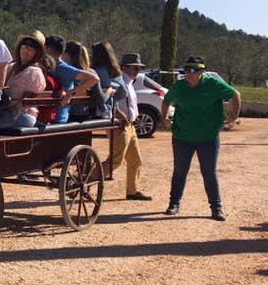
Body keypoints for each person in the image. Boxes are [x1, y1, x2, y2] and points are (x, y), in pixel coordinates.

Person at [160, 55, 241, 220]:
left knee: (209, 173)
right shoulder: (178, 86)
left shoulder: (213, 84)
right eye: (186, 70)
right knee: (179, 172)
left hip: (208, 138)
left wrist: (233, 117)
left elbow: (235, 94)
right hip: (182, 137)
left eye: (193, 70)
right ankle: (174, 204)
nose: (189, 74)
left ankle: (216, 208)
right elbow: (166, 100)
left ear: (202, 71)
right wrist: (164, 117)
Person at [103, 53, 152, 201]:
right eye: (134, 67)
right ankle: (85, 179)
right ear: (124, 67)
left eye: (138, 67)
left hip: (129, 125)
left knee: (135, 160)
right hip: (119, 125)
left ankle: (132, 190)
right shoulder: (118, 81)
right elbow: (108, 101)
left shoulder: (129, 82)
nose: (137, 70)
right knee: (115, 161)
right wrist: (119, 116)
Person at [0, 30, 51, 129]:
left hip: (21, 115)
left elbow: (20, 99)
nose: (27, 48)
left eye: (32, 46)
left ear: (37, 53)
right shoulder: (12, 67)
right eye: (25, 44)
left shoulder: (34, 72)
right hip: (7, 111)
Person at [43, 35, 99, 123]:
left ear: (48, 49)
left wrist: (70, 93)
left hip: (58, 119)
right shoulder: (48, 66)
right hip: (48, 117)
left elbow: (94, 78)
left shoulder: (64, 69)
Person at [90, 41, 124, 119]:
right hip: (111, 110)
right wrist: (113, 95)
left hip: (96, 111)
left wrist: (107, 91)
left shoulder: (95, 72)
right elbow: (123, 93)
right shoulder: (116, 71)